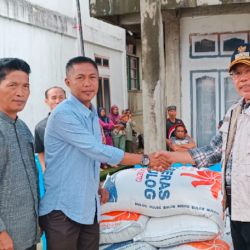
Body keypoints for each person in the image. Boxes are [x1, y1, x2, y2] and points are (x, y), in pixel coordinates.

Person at [154, 44, 250, 250]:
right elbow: (214, 152)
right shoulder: (234, 111)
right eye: (237, 73)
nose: (242, 78)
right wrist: (171, 157)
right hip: (238, 214)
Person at [38, 56, 171, 250]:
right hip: (63, 210)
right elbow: (98, 150)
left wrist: (97, 186)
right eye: (80, 77)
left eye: (92, 77)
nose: (87, 83)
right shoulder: (63, 114)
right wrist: (146, 160)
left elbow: (87, 158)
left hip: (88, 207)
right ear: (68, 82)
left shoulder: (91, 113)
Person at [0, 58, 40, 250]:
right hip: (5, 238)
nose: (21, 92)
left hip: (27, 235)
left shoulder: (23, 128)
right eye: (13, 85)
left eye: (26, 86)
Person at [34, 86, 66, 172]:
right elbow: (41, 151)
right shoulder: (40, 127)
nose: (58, 101)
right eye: (53, 98)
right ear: (46, 101)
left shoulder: (77, 123)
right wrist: (45, 171)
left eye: (61, 97)